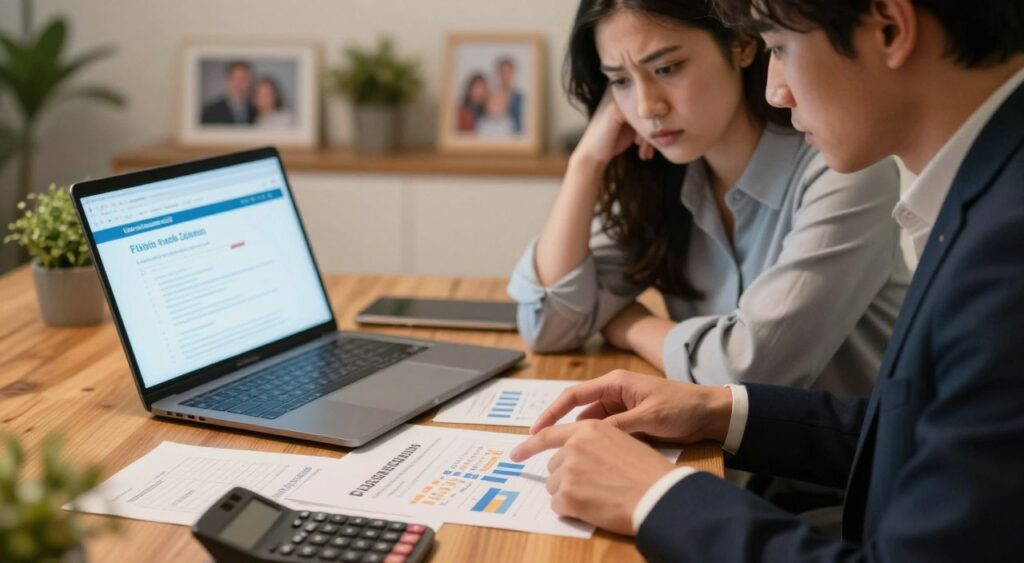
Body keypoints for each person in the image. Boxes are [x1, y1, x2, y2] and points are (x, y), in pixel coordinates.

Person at [509, 0, 1024, 560]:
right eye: (620, 82)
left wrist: (656, 495)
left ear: (889, 27)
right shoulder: (985, 192)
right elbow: (912, 428)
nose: (774, 88)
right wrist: (717, 410)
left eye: (778, 46)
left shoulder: (1005, 242)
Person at [508, 0, 908, 406]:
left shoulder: (846, 173)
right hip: (716, 456)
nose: (647, 108)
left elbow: (748, 373)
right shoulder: (663, 177)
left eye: (666, 69)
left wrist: (630, 324)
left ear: (742, 45)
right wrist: (585, 163)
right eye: (621, 81)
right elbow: (547, 325)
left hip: (843, 466)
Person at [201, 61, 256, 125]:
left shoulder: (255, 110)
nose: (238, 83)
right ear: (227, 79)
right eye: (234, 78)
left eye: (243, 78)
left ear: (249, 82)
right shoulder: (210, 111)